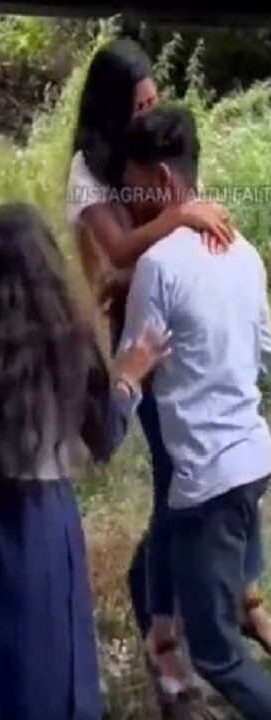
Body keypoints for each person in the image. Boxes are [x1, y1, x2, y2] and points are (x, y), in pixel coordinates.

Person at [65, 37, 271, 693]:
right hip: (140, 340)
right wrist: (183, 214)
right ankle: (169, 626)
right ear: (110, 106)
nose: (147, 112)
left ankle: (221, 605)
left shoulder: (156, 161)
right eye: (138, 103)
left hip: (173, 330)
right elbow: (122, 247)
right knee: (181, 486)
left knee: (195, 486)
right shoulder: (90, 170)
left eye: (155, 101)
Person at [0, 203, 169, 720]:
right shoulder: (67, 342)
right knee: (51, 676)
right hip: (41, 521)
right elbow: (104, 435)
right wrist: (129, 377)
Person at [120, 105, 271, 718]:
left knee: (219, 655)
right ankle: (164, 640)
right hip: (250, 462)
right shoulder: (246, 254)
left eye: (135, 187)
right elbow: (265, 350)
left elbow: (133, 366)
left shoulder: (158, 267)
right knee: (171, 544)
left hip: (207, 479)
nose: (133, 202)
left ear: (160, 180)